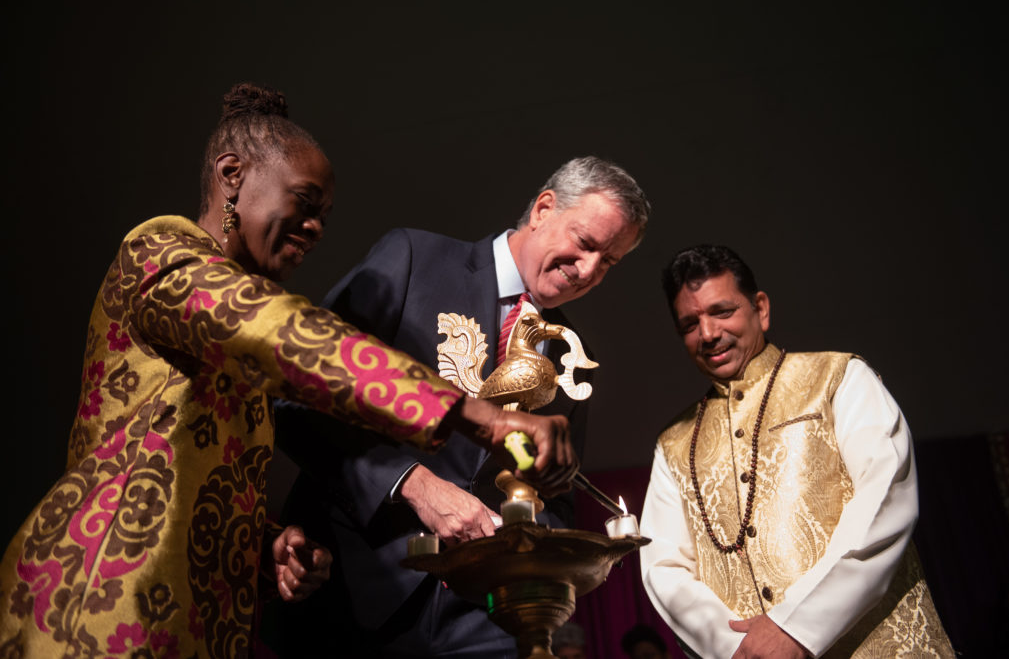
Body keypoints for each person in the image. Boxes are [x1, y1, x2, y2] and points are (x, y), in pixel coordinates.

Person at [0, 83, 576, 659]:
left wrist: (267, 546)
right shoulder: (158, 251)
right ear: (232, 174)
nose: (316, 228)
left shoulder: (240, 332)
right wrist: (478, 415)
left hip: (198, 617)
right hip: (101, 596)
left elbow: (194, 474)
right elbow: (288, 335)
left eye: (324, 216)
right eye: (304, 203)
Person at [268, 156, 650, 657]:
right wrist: (414, 484)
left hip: (482, 621)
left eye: (611, 261)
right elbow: (296, 396)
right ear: (542, 209)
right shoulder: (413, 260)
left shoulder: (573, 357)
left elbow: (555, 501)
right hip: (352, 593)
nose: (590, 270)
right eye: (586, 243)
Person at [640, 244, 954, 658]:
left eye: (722, 311)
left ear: (761, 309)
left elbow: (885, 501)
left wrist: (797, 627)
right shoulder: (674, 443)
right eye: (689, 324)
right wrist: (736, 647)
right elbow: (664, 567)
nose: (709, 334)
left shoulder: (839, 377)